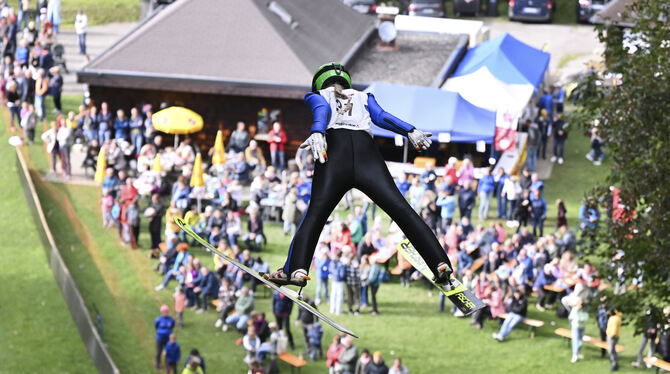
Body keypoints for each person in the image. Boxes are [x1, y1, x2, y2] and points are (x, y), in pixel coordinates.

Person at [265, 62, 453, 289]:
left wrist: (317, 131)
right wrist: (409, 130)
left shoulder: (317, 95)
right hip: (367, 155)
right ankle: (440, 263)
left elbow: (321, 111)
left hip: (335, 153)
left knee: (315, 214)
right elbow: (382, 117)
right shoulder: (364, 96)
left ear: (318, 84)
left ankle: (296, 269)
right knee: (401, 209)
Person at [155, 305, 175, 369]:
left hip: (168, 339)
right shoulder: (158, 320)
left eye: (167, 312)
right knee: (159, 352)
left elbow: (172, 326)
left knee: (167, 352)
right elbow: (156, 327)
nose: (166, 313)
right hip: (160, 339)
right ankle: (157, 364)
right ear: (161, 312)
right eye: (164, 312)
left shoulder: (171, 319)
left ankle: (167, 365)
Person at [568, 298, 588, 363]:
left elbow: (585, 318)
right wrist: (573, 324)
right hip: (575, 327)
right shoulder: (575, 310)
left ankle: (577, 353)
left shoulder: (585, 310)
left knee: (580, 341)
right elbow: (571, 318)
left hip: (582, 327)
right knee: (575, 341)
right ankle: (574, 355)